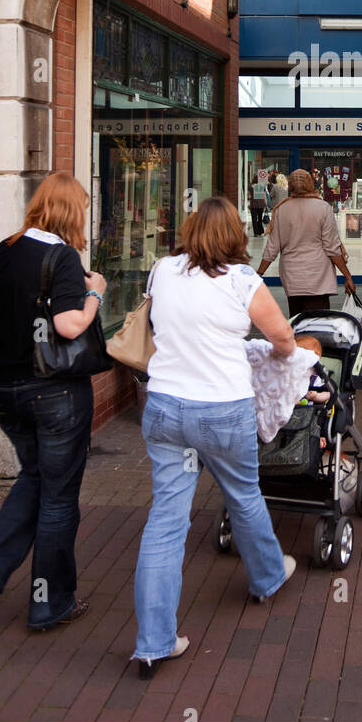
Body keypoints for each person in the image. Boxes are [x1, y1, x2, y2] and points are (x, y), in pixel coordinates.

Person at [132, 195, 298, 678]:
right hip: (222, 410)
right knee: (244, 496)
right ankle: (267, 577)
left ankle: (153, 643)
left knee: (165, 520)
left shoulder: (162, 269)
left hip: (164, 408)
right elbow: (284, 339)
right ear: (234, 235)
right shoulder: (243, 280)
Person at [0, 173, 107, 630]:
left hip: (6, 389)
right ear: (71, 211)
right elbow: (67, 326)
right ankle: (50, 603)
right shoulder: (62, 256)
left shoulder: (3, 251)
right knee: (59, 498)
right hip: (54, 392)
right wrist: (95, 294)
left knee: (35, 477)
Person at [256, 168, 354, 317]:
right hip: (318, 276)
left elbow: (272, 247)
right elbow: (332, 248)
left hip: (292, 276)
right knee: (318, 324)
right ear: (310, 184)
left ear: (290, 186)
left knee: (297, 321)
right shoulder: (323, 208)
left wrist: (258, 274)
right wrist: (347, 276)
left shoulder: (281, 209)